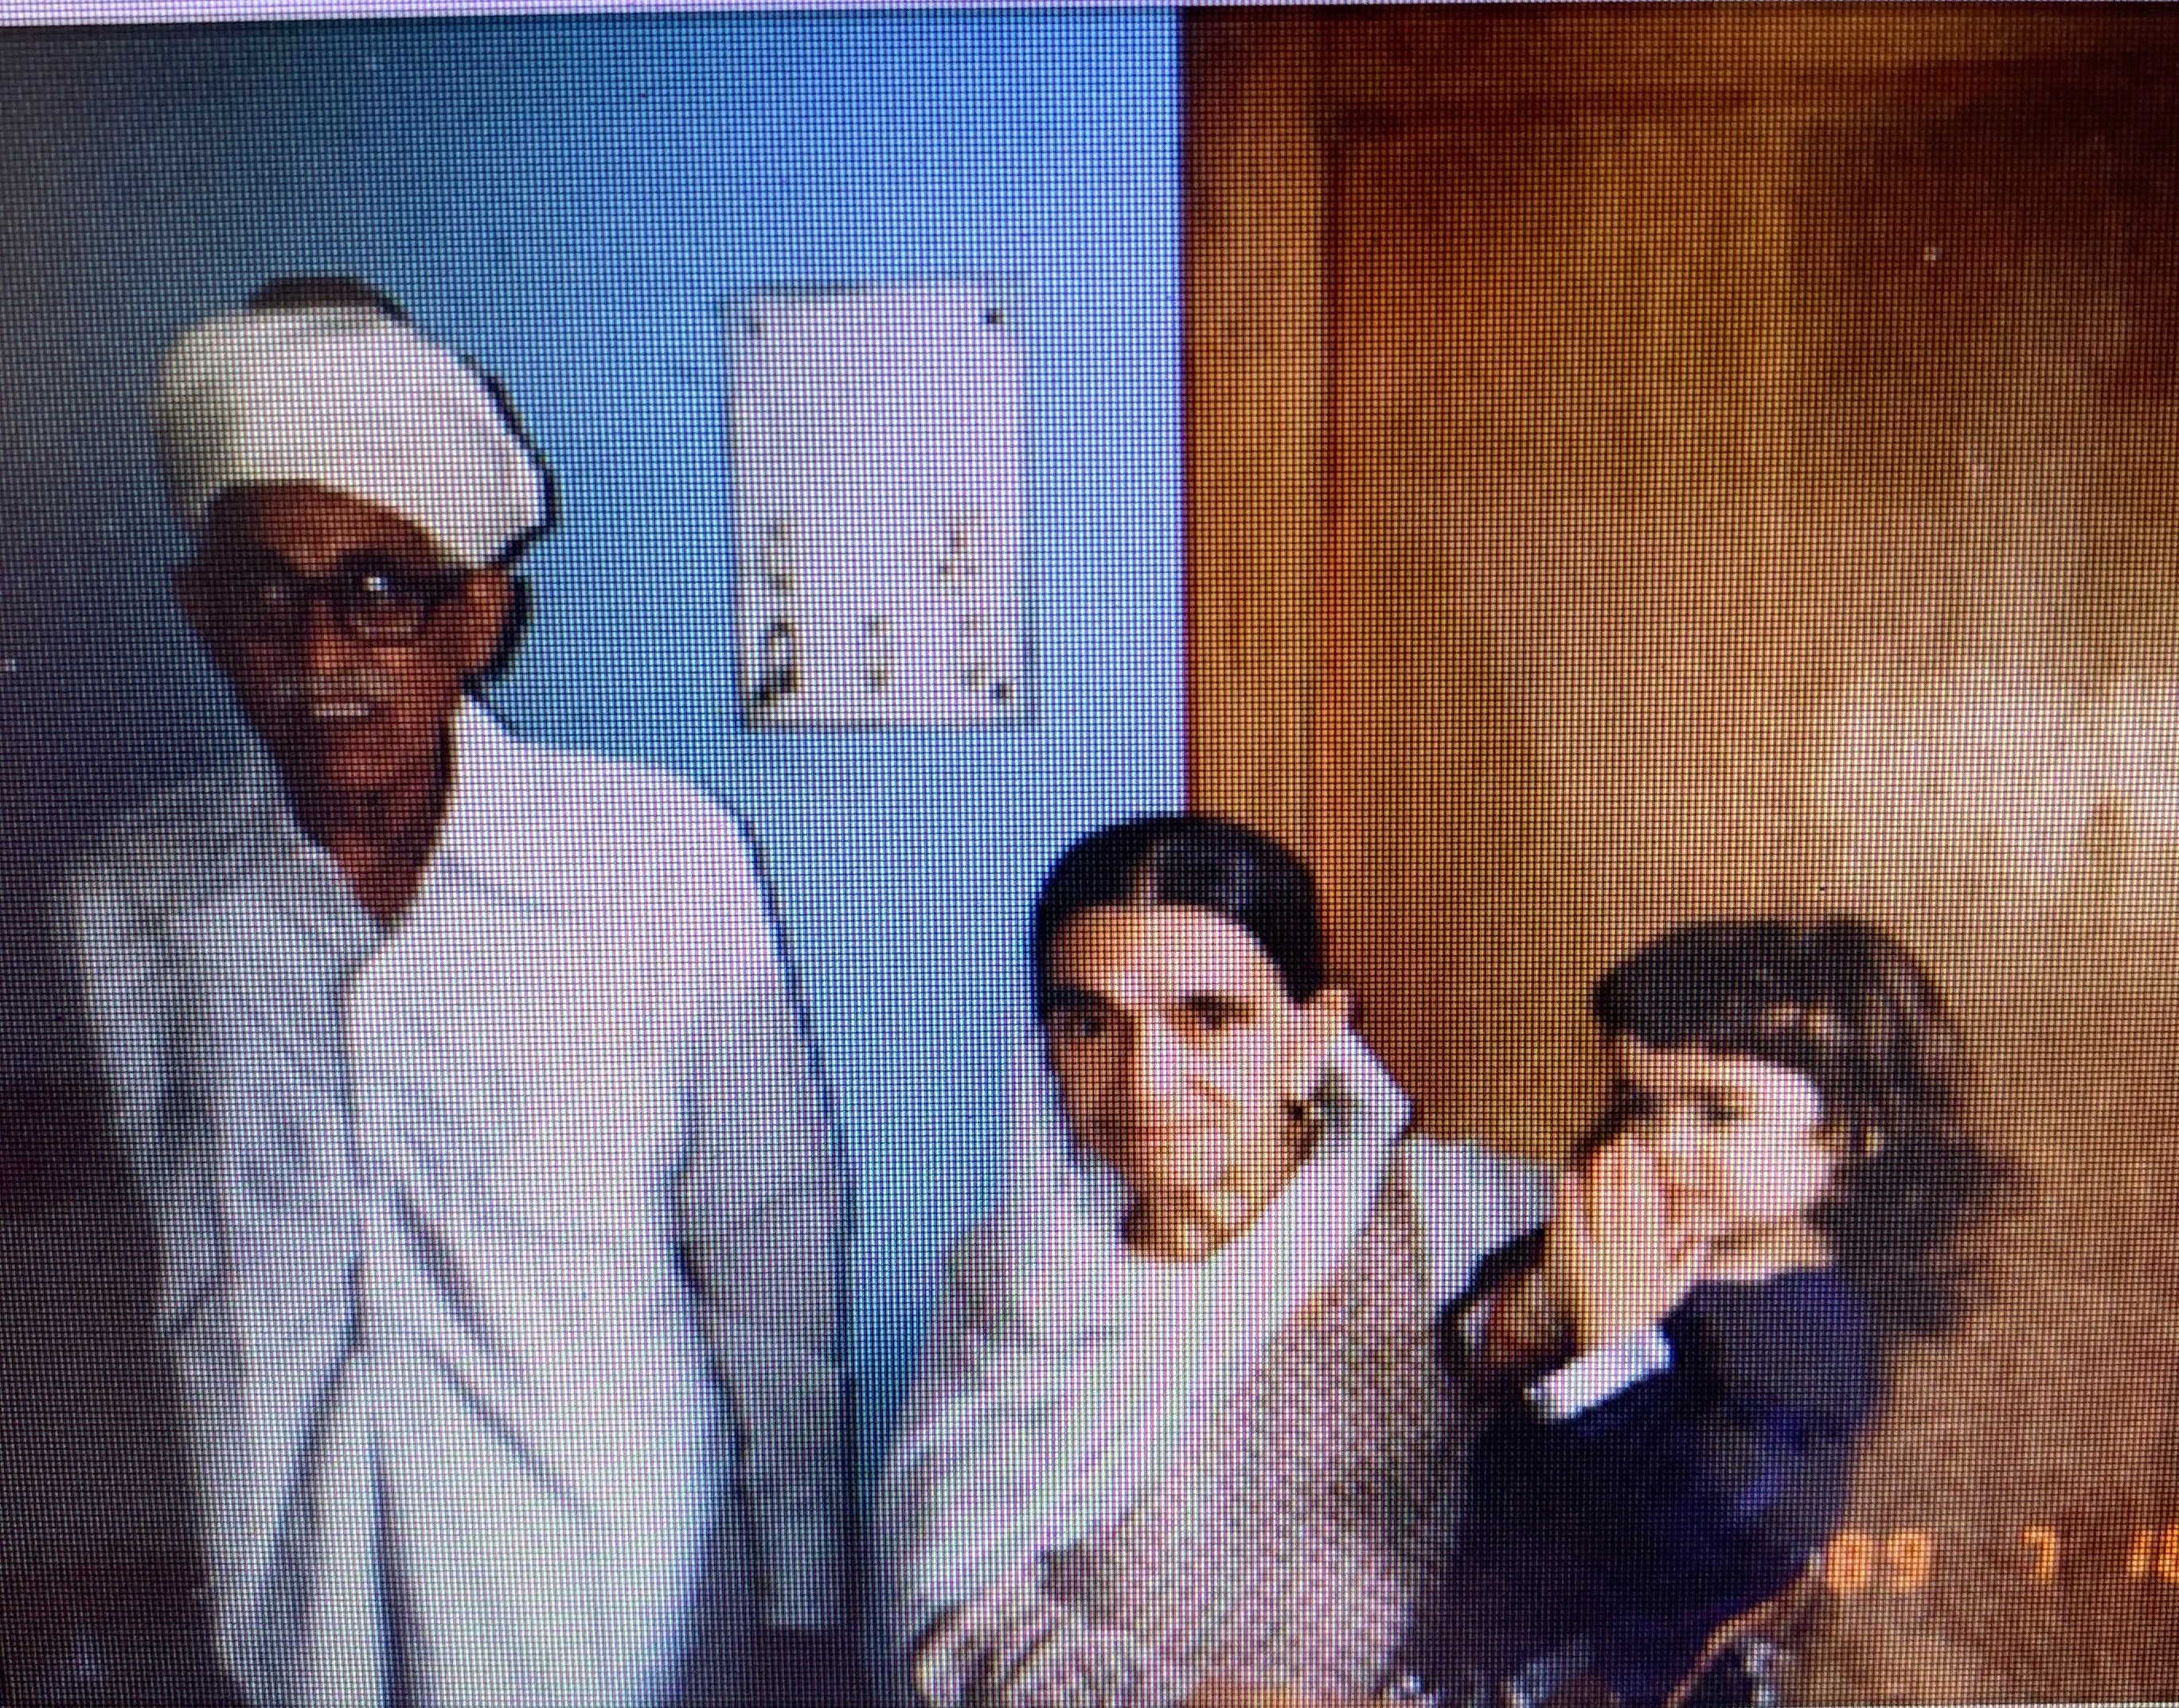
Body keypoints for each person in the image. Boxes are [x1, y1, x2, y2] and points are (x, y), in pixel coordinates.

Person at [58, 278, 848, 1708]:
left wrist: (803, 1584)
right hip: (274, 1600)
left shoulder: (652, 857)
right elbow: (139, 1278)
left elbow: (768, 1239)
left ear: (478, 615)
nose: (318, 657)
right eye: (265, 598)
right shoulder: (135, 900)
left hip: (605, 1596)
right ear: (199, 612)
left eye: (379, 592)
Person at [874, 814, 1556, 1708]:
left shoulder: (1468, 1219)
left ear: (1310, 1038)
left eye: (1206, 1017)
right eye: (1090, 1025)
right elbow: (948, 1611)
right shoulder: (1023, 1275)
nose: (1146, 1078)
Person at [1389, 916, 2006, 1708]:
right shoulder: (1626, 1236)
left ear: (1851, 1135)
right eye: (1641, 1106)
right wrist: (1542, 1306)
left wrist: (1613, 1346)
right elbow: (1464, 1334)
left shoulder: (1810, 1332)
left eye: (1717, 1110)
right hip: (1484, 1644)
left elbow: (1708, 1534)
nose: (1667, 1144)